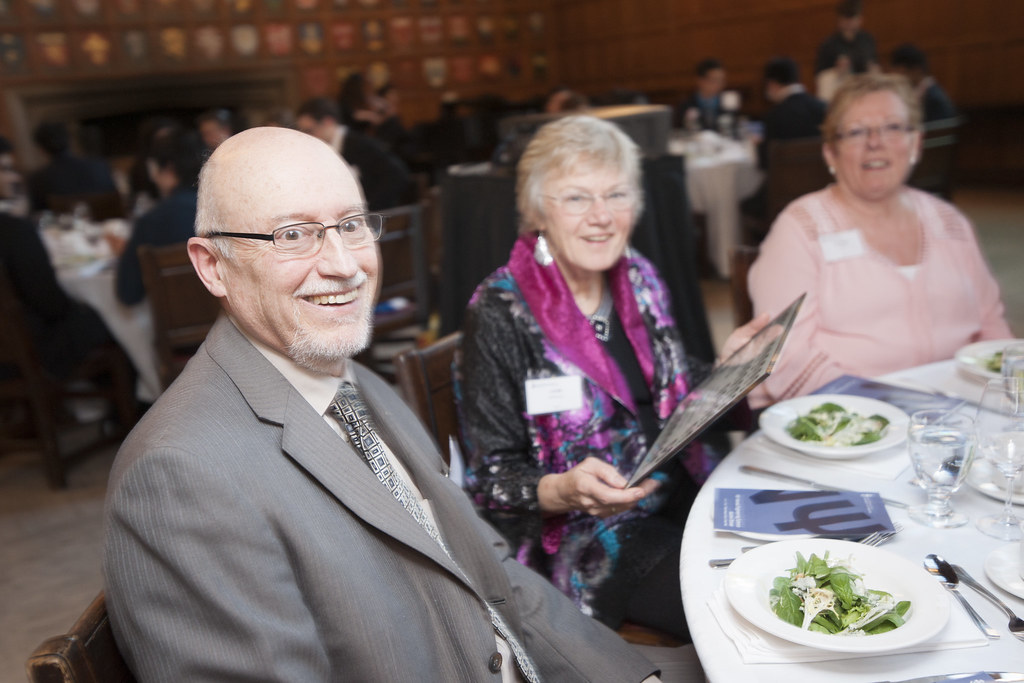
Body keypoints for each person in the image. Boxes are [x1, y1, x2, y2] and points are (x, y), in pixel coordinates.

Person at [102, 126, 668, 682]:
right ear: (212, 266)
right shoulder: (178, 473)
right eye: (294, 235)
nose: (345, 265)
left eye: (351, 225)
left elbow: (490, 570)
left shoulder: (352, 383)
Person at [457, 115, 765, 640]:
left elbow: (668, 384)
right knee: (741, 608)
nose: (602, 217)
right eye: (576, 198)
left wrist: (735, 374)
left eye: (616, 195)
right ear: (536, 211)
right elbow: (490, 481)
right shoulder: (500, 311)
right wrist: (563, 489)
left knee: (784, 557)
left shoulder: (638, 274)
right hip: (589, 536)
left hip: (682, 484)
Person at [747, 74, 1011, 408]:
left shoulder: (950, 223)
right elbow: (786, 356)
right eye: (856, 131)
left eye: (892, 127)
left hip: (964, 412)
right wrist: (897, 409)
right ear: (831, 153)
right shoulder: (802, 229)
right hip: (851, 423)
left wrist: (1007, 400)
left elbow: (991, 325)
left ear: (916, 143)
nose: (875, 142)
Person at [0, 212, 113, 380]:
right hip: (31, 348)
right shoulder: (14, 231)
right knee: (108, 314)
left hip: (10, 349)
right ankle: (127, 402)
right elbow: (51, 305)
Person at [114, 126, 204, 306]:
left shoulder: (153, 221)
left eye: (153, 168)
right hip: (233, 324)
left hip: (177, 321)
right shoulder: (227, 208)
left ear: (169, 169)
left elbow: (128, 294)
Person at [296, 96, 413, 210]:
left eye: (309, 130)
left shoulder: (361, 144)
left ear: (328, 122)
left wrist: (369, 211)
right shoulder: (320, 150)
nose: (307, 137)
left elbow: (397, 174)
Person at [27, 121, 119, 214]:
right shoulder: (100, 166)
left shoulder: (37, 179)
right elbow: (116, 199)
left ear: (41, 148)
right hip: (108, 225)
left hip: (63, 227)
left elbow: (39, 215)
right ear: (70, 140)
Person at [758, 56, 827, 168]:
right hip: (823, 180)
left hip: (784, 184)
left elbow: (764, 163)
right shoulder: (824, 108)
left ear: (772, 83)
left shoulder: (774, 116)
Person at [889, 42, 957, 124]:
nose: (897, 79)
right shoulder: (921, 91)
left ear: (917, 70)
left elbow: (936, 131)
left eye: (902, 73)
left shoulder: (933, 98)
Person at [814, 0, 878, 76]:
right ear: (839, 20)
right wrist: (836, 70)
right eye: (846, 20)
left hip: (865, 83)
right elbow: (819, 74)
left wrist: (874, 69)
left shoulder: (867, 40)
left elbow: (874, 64)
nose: (849, 24)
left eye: (852, 19)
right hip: (840, 84)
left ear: (860, 19)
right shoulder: (828, 45)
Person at [677, 58, 727, 131]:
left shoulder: (726, 104)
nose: (719, 85)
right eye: (714, 80)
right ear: (700, 80)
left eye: (721, 80)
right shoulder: (686, 105)